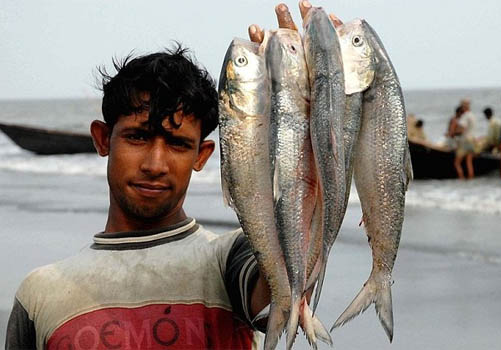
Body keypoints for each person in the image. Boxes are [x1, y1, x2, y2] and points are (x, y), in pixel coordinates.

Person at [5, 3, 311, 347]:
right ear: (103, 139)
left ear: (202, 155)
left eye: (178, 144)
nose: (155, 164)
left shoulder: (230, 259)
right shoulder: (41, 293)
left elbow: (279, 295)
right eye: (138, 137)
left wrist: (305, 121)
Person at [454, 99, 476, 179]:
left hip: (465, 141)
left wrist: (453, 133)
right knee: (469, 162)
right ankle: (471, 178)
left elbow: (461, 129)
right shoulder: (472, 115)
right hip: (472, 140)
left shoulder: (465, 116)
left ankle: (461, 178)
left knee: (457, 163)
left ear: (464, 106)